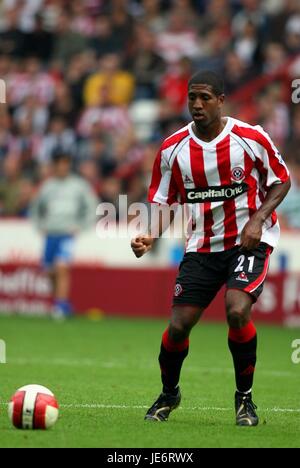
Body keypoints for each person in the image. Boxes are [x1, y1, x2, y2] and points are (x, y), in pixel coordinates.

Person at [131, 70, 291, 426]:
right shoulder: (173, 149)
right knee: (179, 326)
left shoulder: (251, 138)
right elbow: (164, 201)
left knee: (237, 311)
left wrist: (257, 219)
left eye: (205, 97)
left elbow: (281, 181)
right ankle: (169, 393)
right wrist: (151, 235)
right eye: (192, 98)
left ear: (221, 100)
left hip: (249, 241)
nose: (197, 104)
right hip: (202, 246)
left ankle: (244, 400)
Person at [31, 151, 98, 319]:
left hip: (67, 234)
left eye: (65, 163)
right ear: (54, 166)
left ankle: (60, 307)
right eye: (59, 163)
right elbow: (35, 207)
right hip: (50, 233)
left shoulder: (79, 185)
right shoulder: (47, 186)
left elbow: (92, 206)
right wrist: (40, 225)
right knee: (49, 272)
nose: (62, 167)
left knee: (62, 268)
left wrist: (82, 226)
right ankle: (63, 304)